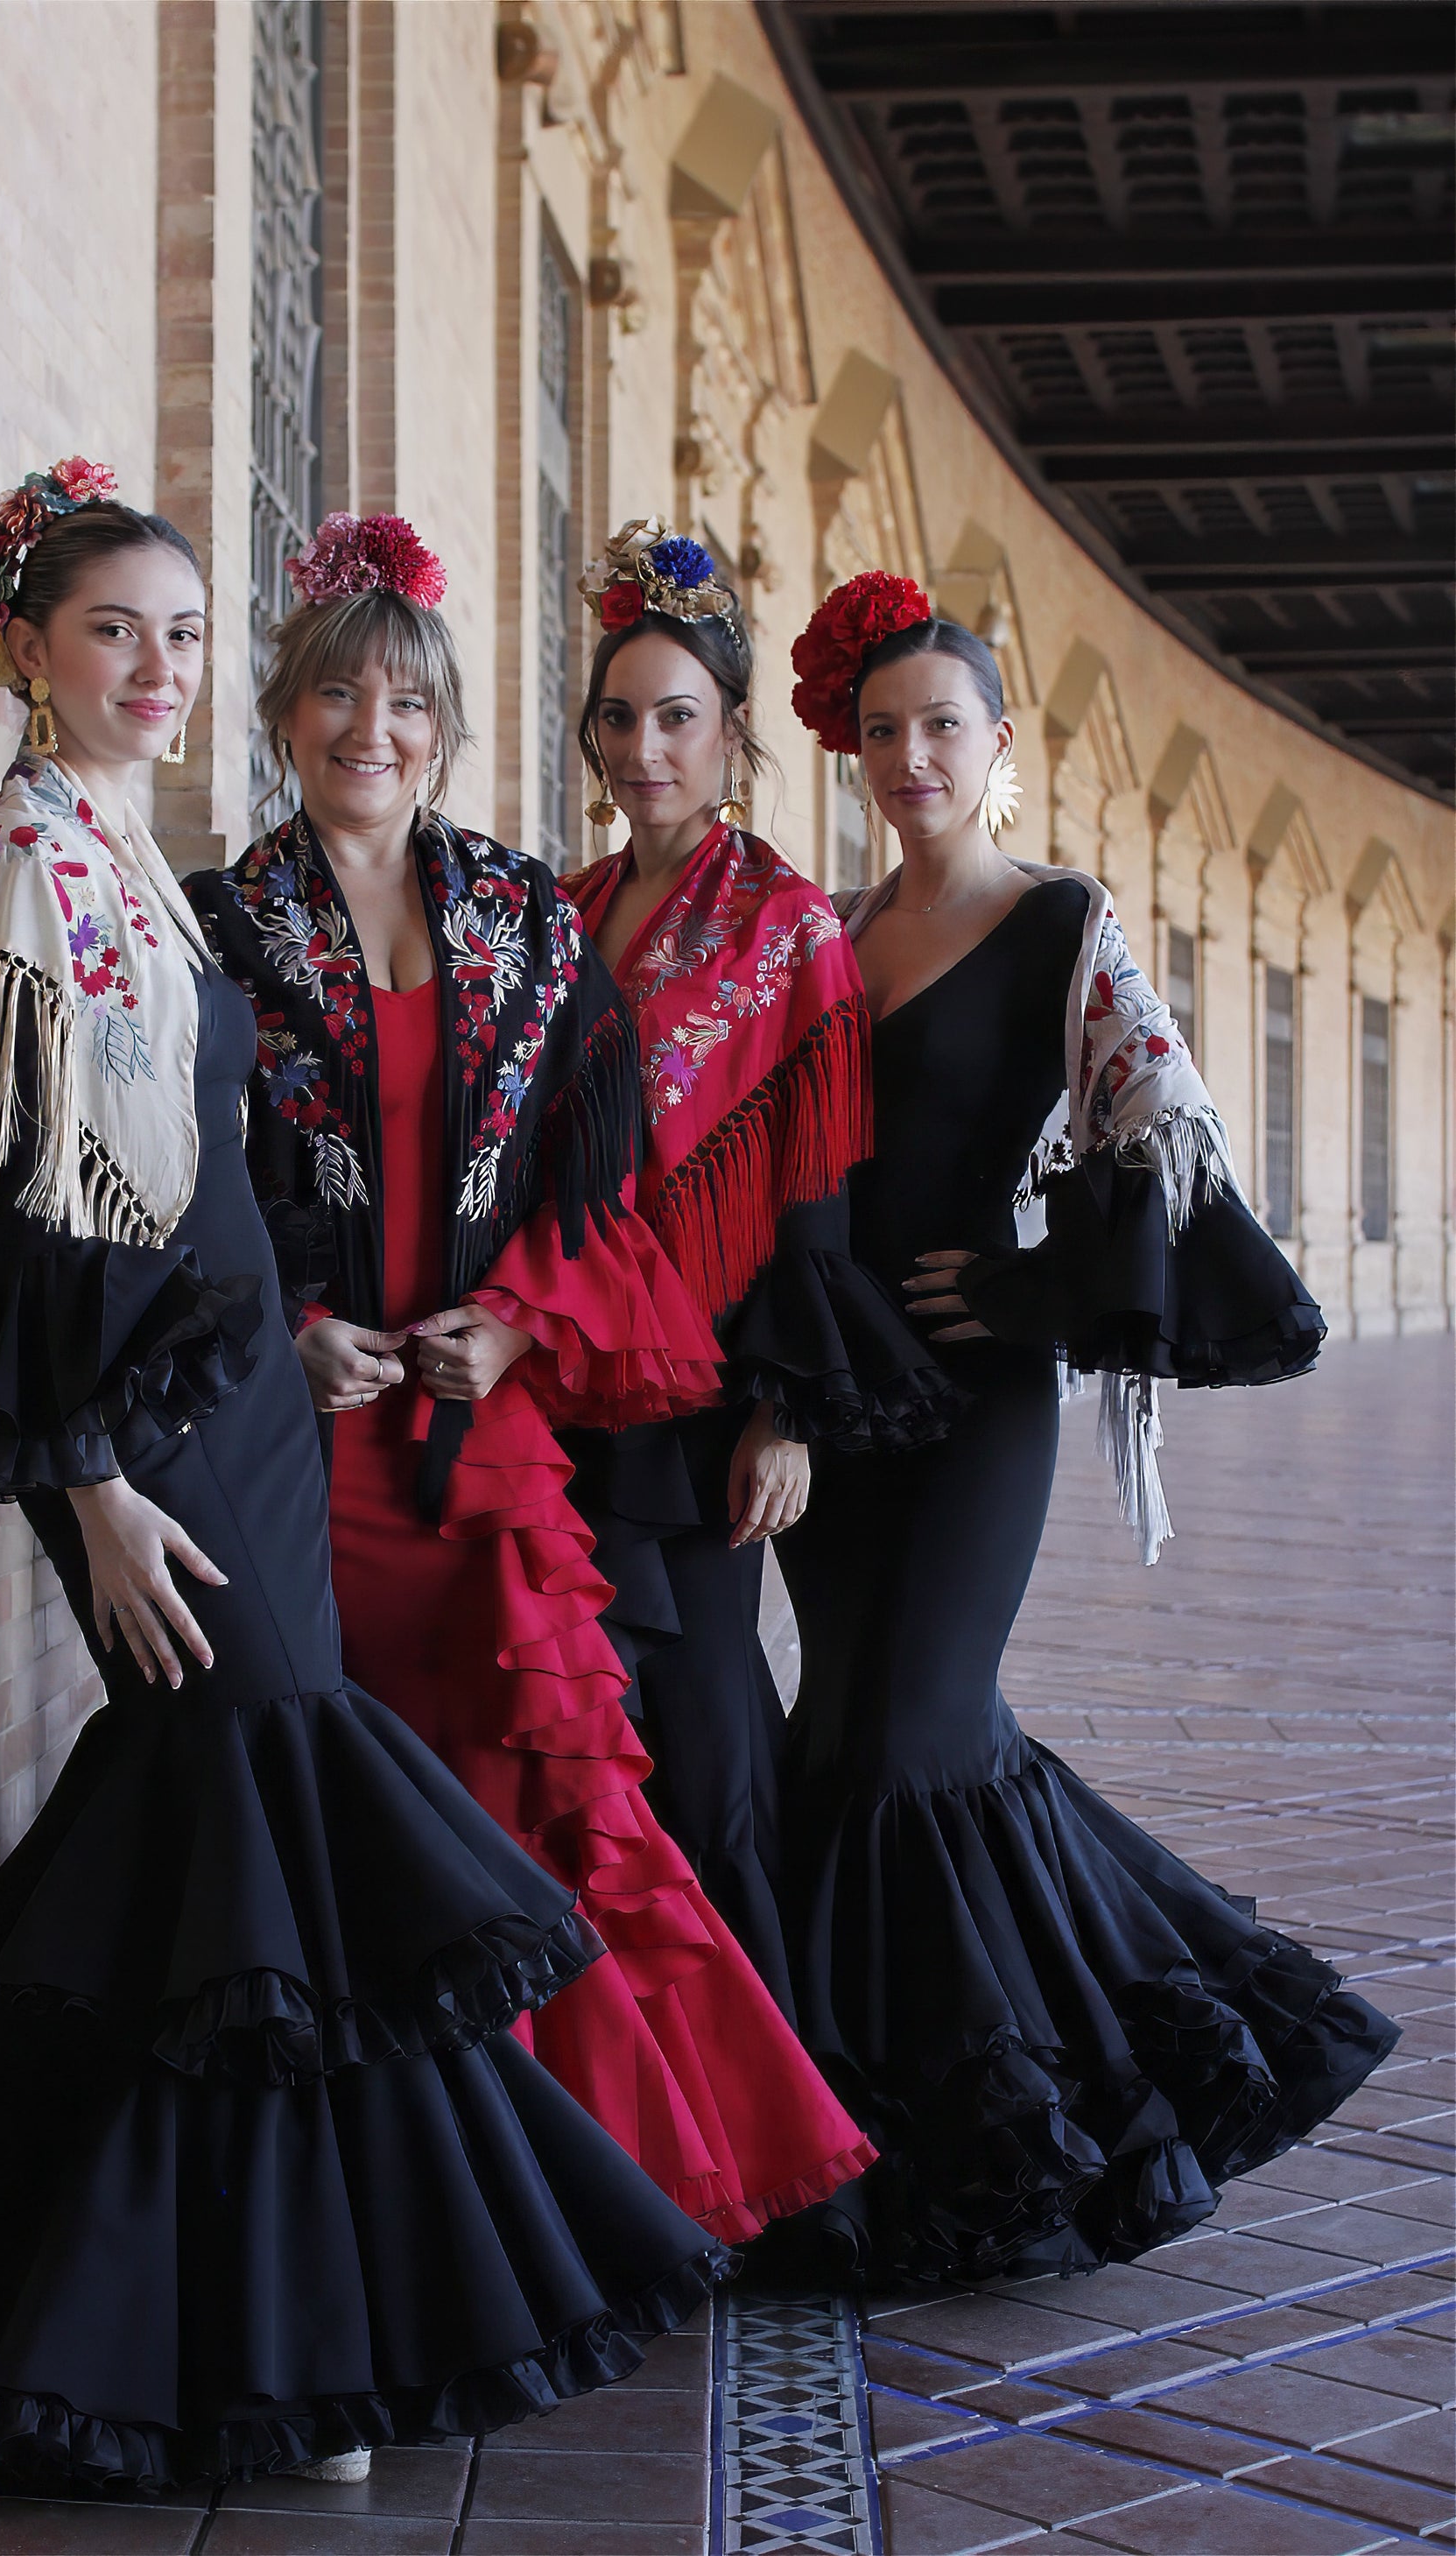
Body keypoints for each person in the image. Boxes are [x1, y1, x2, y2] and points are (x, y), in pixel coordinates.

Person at [0, 464, 728, 2498]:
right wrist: (84, 1483)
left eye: (179, 633)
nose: (155, 669)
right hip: (156, 1419)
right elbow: (17, 1209)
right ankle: (266, 2328)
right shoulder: (22, 860)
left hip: (250, 1403)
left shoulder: (124, 849)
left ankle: (278, 2332)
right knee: (265, 1791)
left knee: (244, 1837)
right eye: (119, 632)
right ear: (23, 644)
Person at [186, 509, 873, 2245]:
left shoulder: (518, 916)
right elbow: (191, 1184)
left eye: (406, 701)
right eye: (337, 697)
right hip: (313, 1442)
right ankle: (391, 2199)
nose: (372, 730)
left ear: (448, 727)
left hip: (482, 1432)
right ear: (284, 712)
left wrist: (513, 1324)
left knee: (536, 1792)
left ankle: (567, 2190)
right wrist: (283, 1327)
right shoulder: (223, 924)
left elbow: (602, 1178)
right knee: (360, 1801)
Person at [770, 570, 1401, 2285]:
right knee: (842, 1737)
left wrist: (1044, 1297)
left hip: (972, 1402)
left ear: (996, 746)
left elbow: (1160, 1138)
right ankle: (857, 2149)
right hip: (837, 1390)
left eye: (941, 727)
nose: (910, 754)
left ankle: (1053, 2119)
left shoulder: (1062, 924)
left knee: (918, 1737)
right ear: (854, 747)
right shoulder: (823, 934)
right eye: (882, 729)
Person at [561, 521, 957, 2014]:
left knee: (712, 1727)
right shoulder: (568, 910)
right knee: (594, 1726)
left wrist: (789, 1413)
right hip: (567, 1374)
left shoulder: (788, 928)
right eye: (619, 718)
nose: (644, 748)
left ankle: (766, 2082)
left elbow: (815, 1191)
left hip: (717, 1386)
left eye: (677, 718)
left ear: (733, 738)